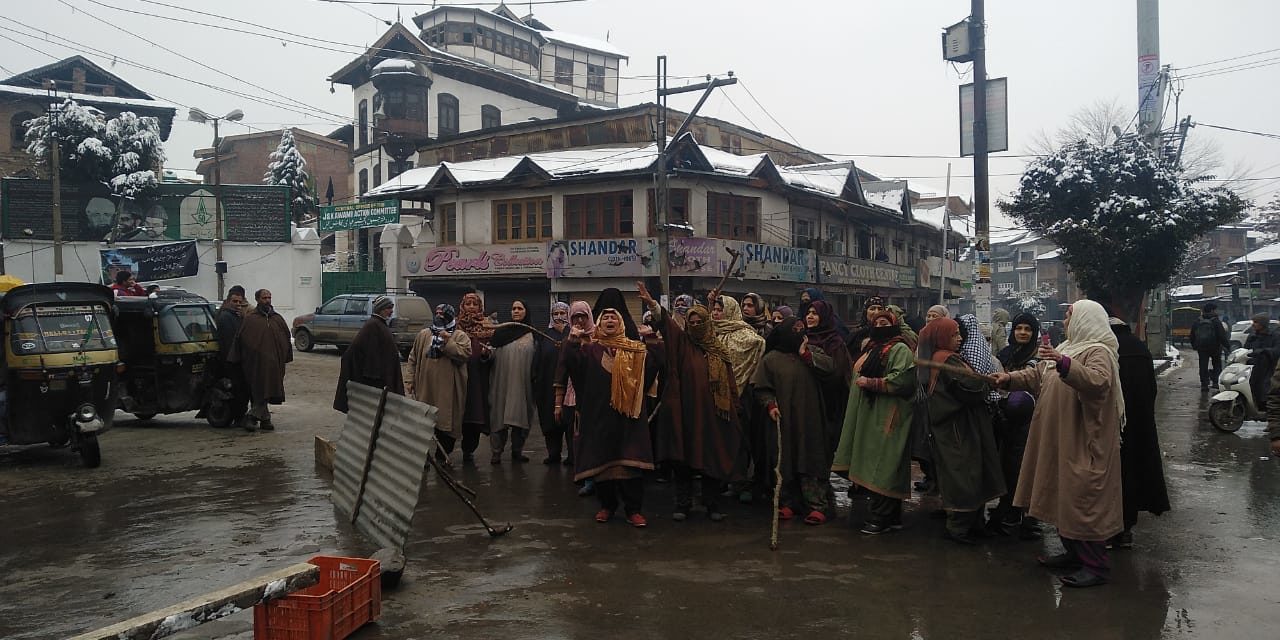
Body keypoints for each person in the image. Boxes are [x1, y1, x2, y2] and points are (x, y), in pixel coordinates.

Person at [993, 299, 1125, 588]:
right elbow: (1038, 374)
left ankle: (1096, 565)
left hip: (1083, 440)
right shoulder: (1067, 349)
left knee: (1082, 501)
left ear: (1086, 320)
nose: (1065, 321)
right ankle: (1073, 553)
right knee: (1062, 497)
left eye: (1070, 316)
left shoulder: (1098, 352)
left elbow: (1098, 382)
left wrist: (1065, 364)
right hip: (1058, 439)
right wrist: (1008, 379)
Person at [640, 281, 742, 522]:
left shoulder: (718, 351)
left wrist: (736, 408)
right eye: (692, 323)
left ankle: (712, 504)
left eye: (700, 323)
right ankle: (683, 504)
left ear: (707, 325)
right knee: (682, 462)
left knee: (712, 460)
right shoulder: (682, 344)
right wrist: (652, 304)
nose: (695, 326)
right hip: (685, 415)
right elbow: (666, 324)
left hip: (714, 417)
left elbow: (730, 383)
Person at [560, 289, 661, 528]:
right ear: (599, 322)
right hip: (599, 417)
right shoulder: (590, 349)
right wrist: (572, 343)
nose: (609, 320)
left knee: (630, 466)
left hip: (628, 419)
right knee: (602, 464)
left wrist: (653, 342)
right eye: (605, 317)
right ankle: (607, 506)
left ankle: (633, 510)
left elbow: (654, 369)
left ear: (621, 322)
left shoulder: (635, 350)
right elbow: (573, 368)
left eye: (613, 317)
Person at [920, 317, 1006, 545]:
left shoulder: (948, 358)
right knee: (963, 476)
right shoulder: (945, 361)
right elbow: (971, 387)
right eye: (954, 335)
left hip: (964, 427)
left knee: (973, 473)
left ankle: (974, 524)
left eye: (959, 334)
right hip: (958, 431)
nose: (959, 339)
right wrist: (988, 382)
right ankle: (958, 527)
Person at [831, 309, 917, 534]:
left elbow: (904, 380)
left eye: (884, 322)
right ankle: (890, 517)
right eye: (876, 322)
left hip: (889, 416)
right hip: (869, 417)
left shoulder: (900, 349)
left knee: (885, 465)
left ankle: (882, 517)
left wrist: (874, 383)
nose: (879, 326)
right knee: (873, 463)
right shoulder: (871, 348)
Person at [753, 316, 835, 524]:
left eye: (802, 329)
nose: (799, 333)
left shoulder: (813, 353)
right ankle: (788, 503)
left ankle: (817, 505)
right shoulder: (771, 359)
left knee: (810, 458)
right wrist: (770, 404)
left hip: (810, 418)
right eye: (795, 329)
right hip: (783, 419)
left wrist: (806, 354)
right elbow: (762, 388)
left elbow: (830, 369)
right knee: (784, 460)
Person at [1109, 316, 1170, 549]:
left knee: (1118, 475)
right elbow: (1152, 387)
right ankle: (1126, 529)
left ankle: (1113, 529)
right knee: (1135, 471)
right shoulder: (1139, 347)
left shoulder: (1107, 348)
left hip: (1115, 423)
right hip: (1139, 420)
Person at [991, 312, 1042, 538]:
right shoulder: (1005, 354)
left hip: (1030, 421)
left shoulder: (1039, 356)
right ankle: (1008, 508)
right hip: (1005, 419)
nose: (1023, 333)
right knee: (1006, 466)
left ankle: (1027, 516)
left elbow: (1039, 381)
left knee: (1025, 467)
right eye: (1019, 328)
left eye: (1028, 329)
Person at [713, 295, 766, 503]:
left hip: (742, 396)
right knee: (720, 439)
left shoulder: (746, 335)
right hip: (716, 395)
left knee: (740, 440)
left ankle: (741, 482)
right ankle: (722, 480)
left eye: (720, 309)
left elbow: (758, 345)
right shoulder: (711, 333)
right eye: (714, 310)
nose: (716, 313)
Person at [406, 304, 471, 465]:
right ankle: (425, 459)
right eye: (437, 313)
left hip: (449, 391)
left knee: (446, 425)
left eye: (443, 314)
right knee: (425, 425)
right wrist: (410, 379)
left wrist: (446, 341)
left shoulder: (459, 335)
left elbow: (464, 355)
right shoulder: (424, 334)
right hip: (426, 388)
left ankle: (442, 458)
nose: (439, 316)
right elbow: (413, 358)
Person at [230, 289, 293, 431]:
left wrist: (285, 356)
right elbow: (241, 340)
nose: (268, 300)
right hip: (256, 364)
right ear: (257, 299)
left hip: (275, 364)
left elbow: (286, 338)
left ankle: (264, 419)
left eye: (269, 297)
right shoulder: (251, 319)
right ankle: (253, 417)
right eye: (264, 298)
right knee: (260, 390)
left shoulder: (277, 319)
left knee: (269, 389)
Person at [488, 300, 541, 464]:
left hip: (523, 383)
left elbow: (538, 359)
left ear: (526, 311)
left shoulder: (533, 334)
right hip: (501, 383)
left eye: (520, 308)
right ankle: (496, 452)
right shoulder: (500, 333)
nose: (516, 311)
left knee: (521, 416)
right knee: (498, 417)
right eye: (513, 309)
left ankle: (517, 451)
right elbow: (490, 354)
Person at [334, 295, 404, 413]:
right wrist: (373, 374)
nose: (391, 311)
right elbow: (362, 352)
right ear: (381, 309)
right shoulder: (373, 325)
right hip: (376, 380)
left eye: (392, 308)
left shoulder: (379, 324)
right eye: (388, 308)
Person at [555, 300, 596, 491]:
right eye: (575, 317)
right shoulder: (568, 341)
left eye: (583, 316)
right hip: (573, 398)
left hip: (597, 396)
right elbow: (561, 373)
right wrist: (558, 404)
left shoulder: (599, 337)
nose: (579, 320)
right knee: (577, 436)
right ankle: (583, 475)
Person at [457, 292, 493, 464]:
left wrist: (487, 354)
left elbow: (494, 354)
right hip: (458, 379)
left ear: (480, 307)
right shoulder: (455, 327)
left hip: (478, 380)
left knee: (476, 415)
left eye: (474, 304)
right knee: (457, 413)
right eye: (468, 304)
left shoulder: (487, 326)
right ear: (462, 306)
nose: (471, 307)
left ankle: (469, 450)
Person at [538, 302, 572, 465]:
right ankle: (553, 453)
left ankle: (572, 455)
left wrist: (565, 333)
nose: (559, 317)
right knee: (550, 421)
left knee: (570, 421)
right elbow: (537, 360)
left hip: (570, 385)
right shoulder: (545, 335)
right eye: (556, 313)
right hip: (547, 386)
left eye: (562, 313)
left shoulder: (573, 334)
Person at [213, 287, 249, 428]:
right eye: (234, 301)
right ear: (228, 301)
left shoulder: (236, 315)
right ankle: (238, 417)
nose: (237, 304)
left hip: (237, 360)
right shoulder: (225, 317)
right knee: (237, 390)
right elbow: (229, 342)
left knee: (242, 390)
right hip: (231, 361)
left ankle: (240, 415)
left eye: (240, 301)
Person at [1243, 314, 1280, 408]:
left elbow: (1277, 351)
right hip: (1252, 367)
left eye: (1256, 322)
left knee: (1265, 389)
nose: (1253, 325)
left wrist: (1265, 351)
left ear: (1263, 324)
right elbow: (1245, 350)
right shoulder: (1252, 336)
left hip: (1268, 367)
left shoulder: (1275, 336)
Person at [1191, 303, 1230, 391]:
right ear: (1212, 310)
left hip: (1202, 348)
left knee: (1203, 365)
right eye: (1215, 309)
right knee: (1216, 364)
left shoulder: (1198, 321)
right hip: (1215, 347)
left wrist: (1195, 345)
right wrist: (1227, 346)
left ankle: (1204, 384)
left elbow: (1192, 334)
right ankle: (1216, 382)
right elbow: (1221, 335)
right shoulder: (1215, 321)